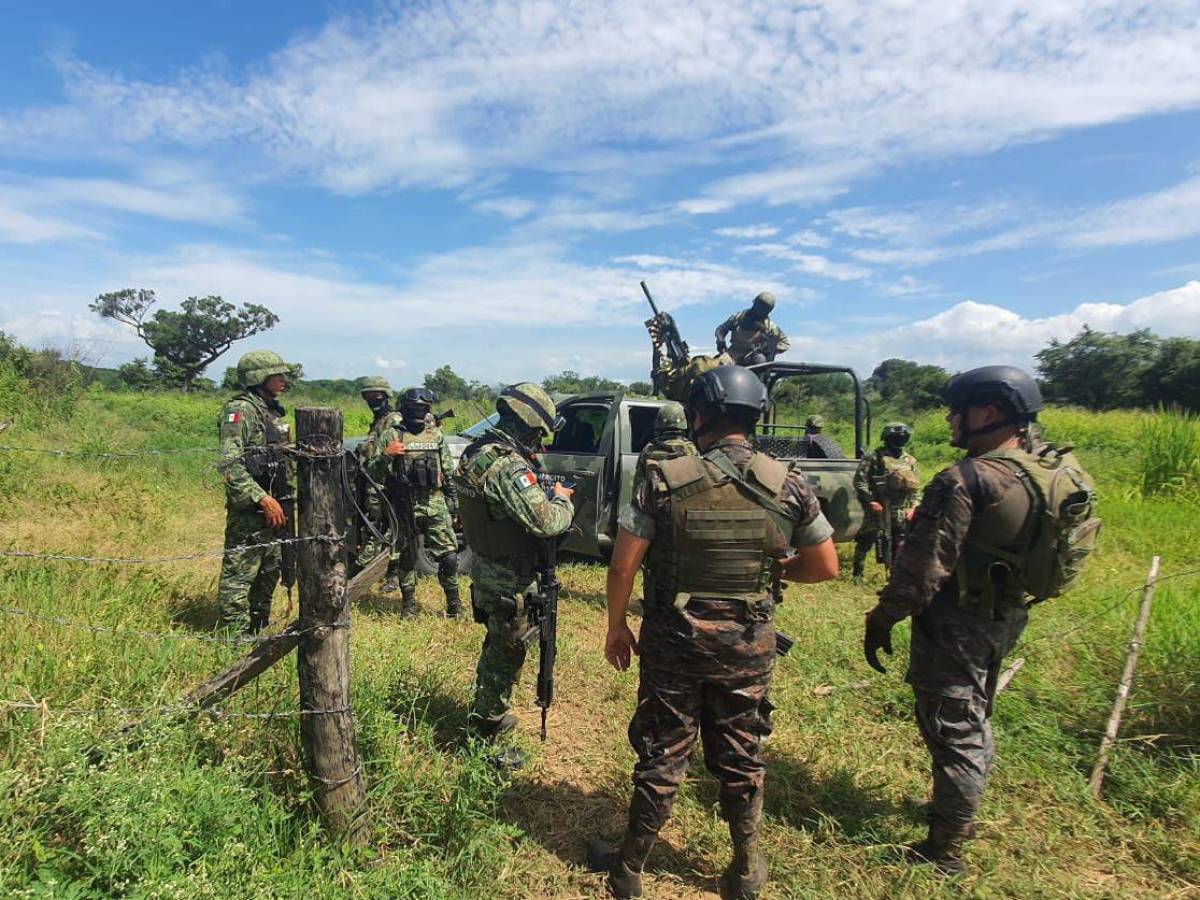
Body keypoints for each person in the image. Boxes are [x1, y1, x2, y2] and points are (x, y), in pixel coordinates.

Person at [591, 366, 839, 900]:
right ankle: (746, 870)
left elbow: (623, 566)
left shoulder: (665, 478)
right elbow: (825, 565)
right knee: (741, 752)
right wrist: (776, 573)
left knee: (663, 749)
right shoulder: (787, 481)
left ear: (699, 415)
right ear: (755, 418)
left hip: (674, 642)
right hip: (748, 646)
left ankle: (630, 868)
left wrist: (617, 626)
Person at [862, 366, 1097, 876]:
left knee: (953, 724)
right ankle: (956, 806)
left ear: (988, 413)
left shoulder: (967, 479)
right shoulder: (1053, 467)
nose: (950, 418)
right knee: (973, 711)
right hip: (1007, 613)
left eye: (958, 409)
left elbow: (923, 569)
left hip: (959, 622)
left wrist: (882, 618)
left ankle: (946, 850)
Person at [453, 383, 575, 757]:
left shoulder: (477, 453)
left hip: (490, 569)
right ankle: (486, 734)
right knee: (508, 651)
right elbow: (547, 522)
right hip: (509, 577)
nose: (538, 441)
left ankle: (488, 713)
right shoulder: (507, 465)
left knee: (497, 647)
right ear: (527, 423)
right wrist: (563, 501)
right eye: (538, 433)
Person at [216, 350, 297, 634]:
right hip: (253, 508)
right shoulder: (240, 411)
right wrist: (261, 498)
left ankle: (258, 628)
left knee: (270, 569)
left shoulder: (272, 411)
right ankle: (235, 638)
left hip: (278, 501)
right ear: (258, 377)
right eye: (278, 375)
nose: (284, 380)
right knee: (240, 574)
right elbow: (229, 464)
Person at [369, 387, 462, 617]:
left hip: (435, 502)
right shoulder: (392, 435)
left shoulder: (436, 435)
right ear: (405, 408)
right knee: (407, 557)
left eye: (423, 408)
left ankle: (454, 605)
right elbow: (372, 473)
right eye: (414, 408)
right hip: (405, 504)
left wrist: (454, 502)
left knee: (449, 557)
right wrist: (386, 455)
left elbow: (448, 471)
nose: (419, 412)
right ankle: (409, 605)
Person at [852, 423, 920, 580]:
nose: (900, 440)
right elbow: (860, 482)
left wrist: (914, 506)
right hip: (879, 508)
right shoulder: (874, 457)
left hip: (902, 511)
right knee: (866, 540)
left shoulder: (910, 460)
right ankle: (857, 574)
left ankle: (894, 576)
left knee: (899, 544)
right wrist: (871, 501)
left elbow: (915, 487)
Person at [714, 292, 790, 366]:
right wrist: (720, 339)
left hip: (753, 356)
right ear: (754, 303)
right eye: (759, 306)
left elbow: (785, 343)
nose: (760, 310)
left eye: (764, 308)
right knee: (717, 367)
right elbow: (721, 329)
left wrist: (768, 347)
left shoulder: (770, 327)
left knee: (760, 361)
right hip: (733, 354)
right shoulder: (738, 318)